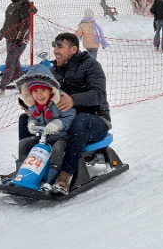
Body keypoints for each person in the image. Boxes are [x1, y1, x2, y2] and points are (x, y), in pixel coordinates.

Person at [43, 33, 112, 196]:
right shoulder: (54, 70)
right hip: (67, 120)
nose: (55, 50)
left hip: (95, 121)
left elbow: (98, 94)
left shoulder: (91, 65)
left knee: (80, 120)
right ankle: (28, 167)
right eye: (54, 46)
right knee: (27, 119)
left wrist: (73, 100)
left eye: (60, 46)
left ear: (73, 49)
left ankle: (65, 174)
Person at [1, 63, 78, 189]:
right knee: (25, 144)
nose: (39, 95)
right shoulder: (34, 105)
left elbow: (70, 116)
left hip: (62, 137)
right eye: (35, 91)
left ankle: (50, 180)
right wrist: (32, 123)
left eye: (43, 90)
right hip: (44, 138)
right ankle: (21, 173)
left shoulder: (59, 100)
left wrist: (58, 124)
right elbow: (32, 116)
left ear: (50, 89)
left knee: (57, 149)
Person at [0, 0, 36, 96]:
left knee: (10, 63)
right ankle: (23, 84)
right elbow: (8, 24)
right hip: (10, 39)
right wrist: (0, 35)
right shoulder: (12, 5)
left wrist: (20, 38)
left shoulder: (24, 4)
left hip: (18, 41)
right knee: (14, 63)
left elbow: (27, 23)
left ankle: (1, 88)